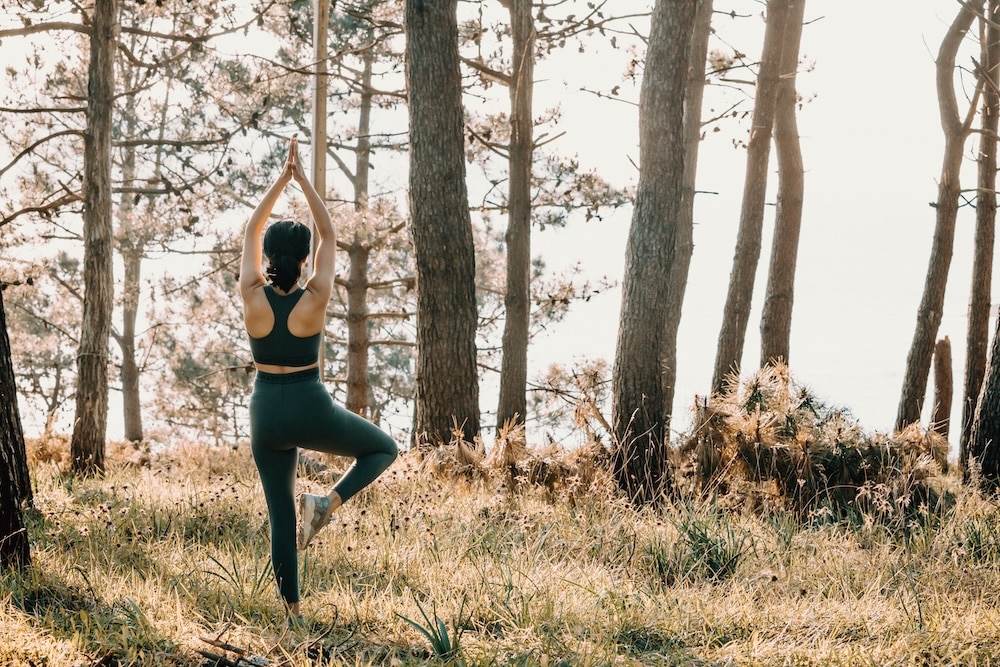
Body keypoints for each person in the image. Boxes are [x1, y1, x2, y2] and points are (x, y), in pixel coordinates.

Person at [240, 136, 398, 624]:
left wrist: (278, 182)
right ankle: (326, 504)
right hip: (310, 404)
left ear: (268, 255)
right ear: (305, 259)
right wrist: (304, 181)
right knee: (383, 449)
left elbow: (250, 232)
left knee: (280, 518)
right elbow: (328, 234)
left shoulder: (251, 294)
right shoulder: (317, 294)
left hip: (265, 410)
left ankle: (292, 616)